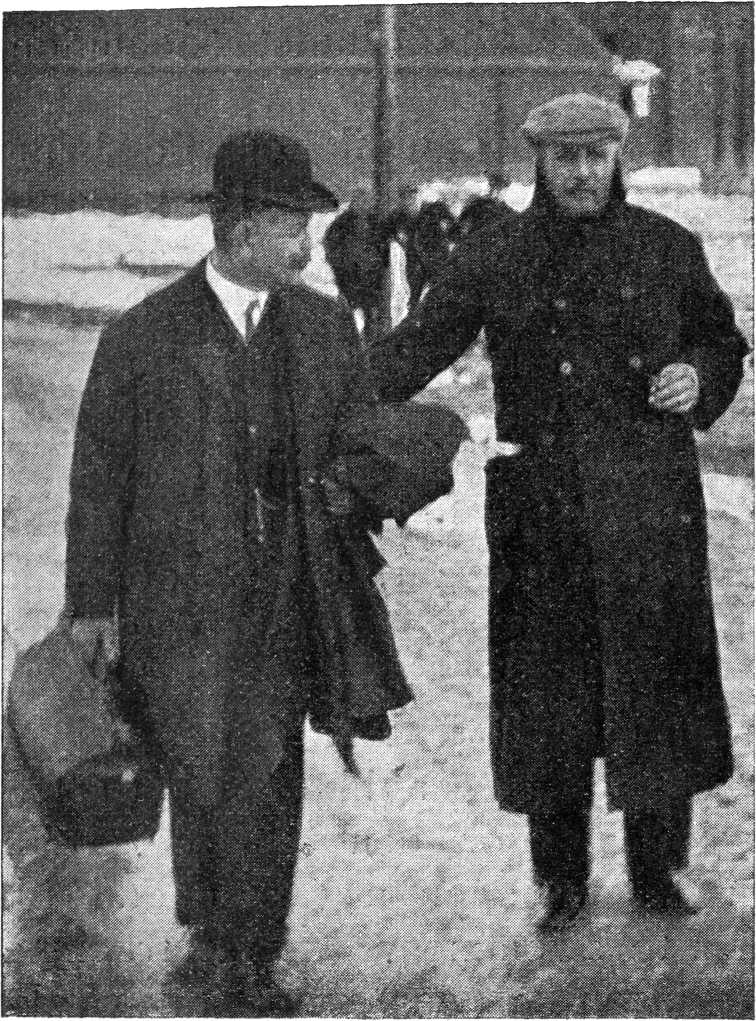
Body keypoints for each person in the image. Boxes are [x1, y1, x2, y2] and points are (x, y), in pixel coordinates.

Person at [369, 94, 748, 932]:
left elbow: (722, 340)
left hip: (649, 505)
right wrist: (334, 394)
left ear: (617, 158)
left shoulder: (666, 247)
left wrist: (698, 375)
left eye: (595, 156)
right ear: (540, 162)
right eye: (565, 157)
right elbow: (421, 344)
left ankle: (660, 867)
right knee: (550, 697)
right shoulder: (496, 252)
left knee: (656, 687)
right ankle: (560, 877)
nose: (581, 173)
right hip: (543, 508)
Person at [64, 131, 421, 1012]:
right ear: (240, 227)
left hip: (285, 593)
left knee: (266, 769)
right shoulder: (142, 337)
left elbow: (358, 436)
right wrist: (91, 604)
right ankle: (207, 930)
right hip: (175, 602)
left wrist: (375, 476)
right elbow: (99, 479)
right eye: (293, 226)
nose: (308, 245)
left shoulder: (324, 328)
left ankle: (254, 949)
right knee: (196, 764)